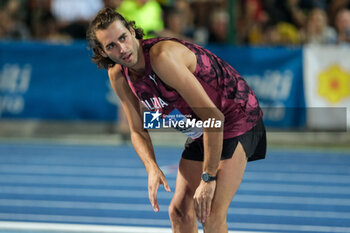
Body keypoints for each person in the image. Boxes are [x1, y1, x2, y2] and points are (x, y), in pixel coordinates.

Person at [87, 7, 266, 233]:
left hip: (235, 117)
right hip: (202, 128)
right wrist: (152, 167)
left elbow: (214, 117)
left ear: (132, 32)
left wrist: (208, 179)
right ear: (103, 52)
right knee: (179, 212)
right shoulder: (117, 74)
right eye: (111, 45)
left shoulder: (162, 58)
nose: (122, 49)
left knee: (209, 214)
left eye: (123, 37)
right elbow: (137, 130)